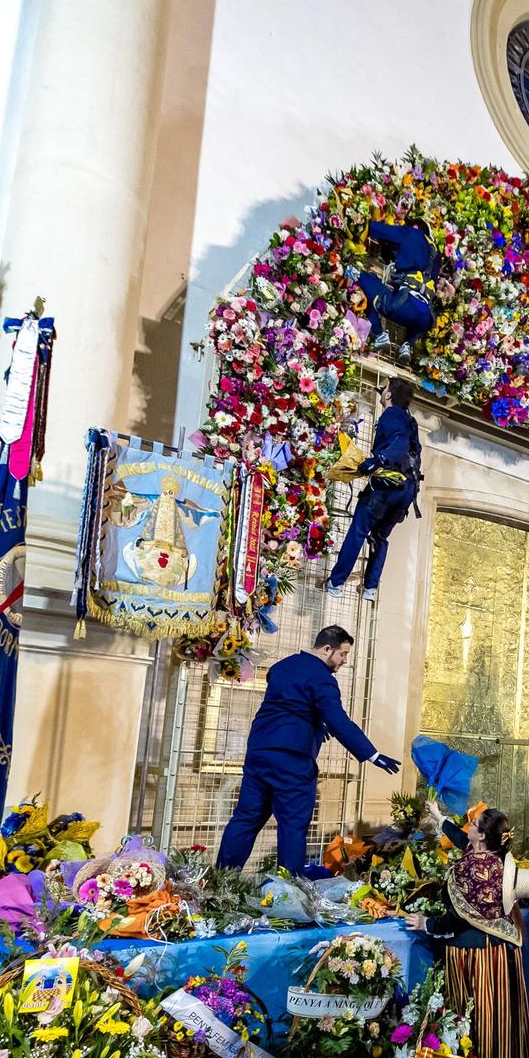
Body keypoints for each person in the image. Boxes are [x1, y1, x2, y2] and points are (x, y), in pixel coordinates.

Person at [216, 625, 400, 873]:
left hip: (259, 752)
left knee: (246, 818)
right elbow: (338, 720)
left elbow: (290, 704)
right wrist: (372, 754)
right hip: (292, 761)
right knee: (293, 825)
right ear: (326, 649)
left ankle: (221, 879)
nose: (344, 661)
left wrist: (312, 724)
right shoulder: (322, 679)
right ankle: (287, 890)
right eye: (343, 654)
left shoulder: (282, 666)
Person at [409, 808, 529, 1058]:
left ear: (483, 836)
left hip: (472, 956)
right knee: (496, 1016)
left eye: (472, 824)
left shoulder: (469, 869)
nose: (468, 827)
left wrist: (427, 924)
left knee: (471, 1017)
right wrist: (440, 818)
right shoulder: (497, 858)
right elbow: (462, 839)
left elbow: (457, 917)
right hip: (501, 953)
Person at [328, 377, 420, 600]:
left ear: (389, 395)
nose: (382, 392)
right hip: (407, 490)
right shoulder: (411, 420)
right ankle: (370, 588)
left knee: (358, 531)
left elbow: (399, 442)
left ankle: (336, 583)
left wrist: (377, 459)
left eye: (384, 389)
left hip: (386, 486)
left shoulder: (391, 414)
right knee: (380, 537)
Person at [355, 217, 437, 348]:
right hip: (425, 320)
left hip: (401, 305)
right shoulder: (436, 256)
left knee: (361, 277)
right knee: (419, 309)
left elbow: (380, 230)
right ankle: (408, 345)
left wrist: (361, 224)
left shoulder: (412, 234)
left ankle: (378, 334)